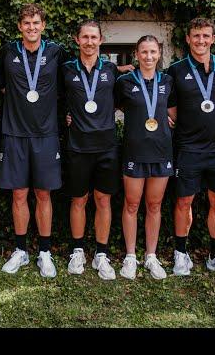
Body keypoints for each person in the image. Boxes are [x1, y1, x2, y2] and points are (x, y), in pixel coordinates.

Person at [0, 3, 69, 278]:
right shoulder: (8, 52)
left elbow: (68, 86)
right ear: (19, 26)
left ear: (43, 25)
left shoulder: (56, 52)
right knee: (19, 194)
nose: (31, 27)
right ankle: (20, 250)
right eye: (26, 23)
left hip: (46, 134)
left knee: (44, 194)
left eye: (36, 22)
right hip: (14, 133)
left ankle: (45, 252)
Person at [167, 17, 215, 282]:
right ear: (188, 38)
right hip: (188, 147)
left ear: (213, 38)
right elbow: (171, 109)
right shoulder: (176, 70)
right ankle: (180, 253)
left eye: (206, 36)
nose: (201, 40)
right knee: (184, 200)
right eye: (196, 35)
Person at [61, 20, 128, 280]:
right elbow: (54, 97)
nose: (89, 42)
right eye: (84, 37)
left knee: (103, 199)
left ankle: (101, 253)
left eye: (94, 38)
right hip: (77, 145)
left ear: (101, 41)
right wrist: (65, 115)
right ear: (77, 40)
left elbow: (124, 101)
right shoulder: (66, 69)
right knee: (79, 199)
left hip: (107, 146)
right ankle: (77, 250)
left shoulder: (111, 69)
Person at [114, 35, 174, 280]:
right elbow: (113, 105)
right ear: (136, 55)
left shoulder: (168, 81)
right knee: (131, 204)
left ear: (159, 54)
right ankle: (130, 256)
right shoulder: (125, 82)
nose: (148, 57)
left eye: (153, 52)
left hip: (161, 151)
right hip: (134, 150)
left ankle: (150, 256)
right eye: (144, 52)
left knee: (154, 205)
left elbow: (173, 110)